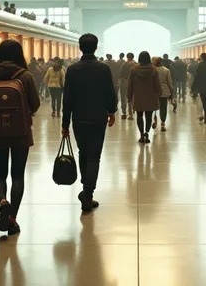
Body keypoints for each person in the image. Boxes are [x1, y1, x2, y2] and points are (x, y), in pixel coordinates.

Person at [0, 39, 39, 235]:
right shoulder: (25, 76)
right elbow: (35, 104)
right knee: (17, 175)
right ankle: (12, 219)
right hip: (20, 133)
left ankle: (2, 201)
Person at [62, 34, 116, 212]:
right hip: (98, 117)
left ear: (79, 47)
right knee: (94, 156)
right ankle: (88, 193)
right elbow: (109, 91)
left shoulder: (72, 70)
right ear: (96, 47)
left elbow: (67, 98)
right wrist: (112, 111)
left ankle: (85, 187)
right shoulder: (103, 69)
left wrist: (65, 122)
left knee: (83, 152)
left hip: (79, 118)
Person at [127, 51, 161, 143]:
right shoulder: (153, 69)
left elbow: (130, 84)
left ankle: (141, 135)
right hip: (150, 95)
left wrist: (129, 96)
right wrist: (159, 93)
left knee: (139, 115)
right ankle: (147, 133)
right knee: (149, 116)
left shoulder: (134, 69)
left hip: (138, 96)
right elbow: (157, 83)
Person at [152, 57, 173, 131]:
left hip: (154, 91)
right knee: (163, 107)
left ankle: (155, 120)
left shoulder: (152, 70)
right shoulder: (166, 70)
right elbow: (169, 83)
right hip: (164, 91)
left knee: (154, 107)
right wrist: (171, 92)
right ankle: (163, 123)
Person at [119, 53, 136, 120]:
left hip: (124, 82)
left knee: (123, 97)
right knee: (131, 97)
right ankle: (131, 112)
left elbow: (120, 73)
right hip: (133, 83)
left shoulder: (124, 64)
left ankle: (124, 112)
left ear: (127, 57)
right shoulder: (136, 64)